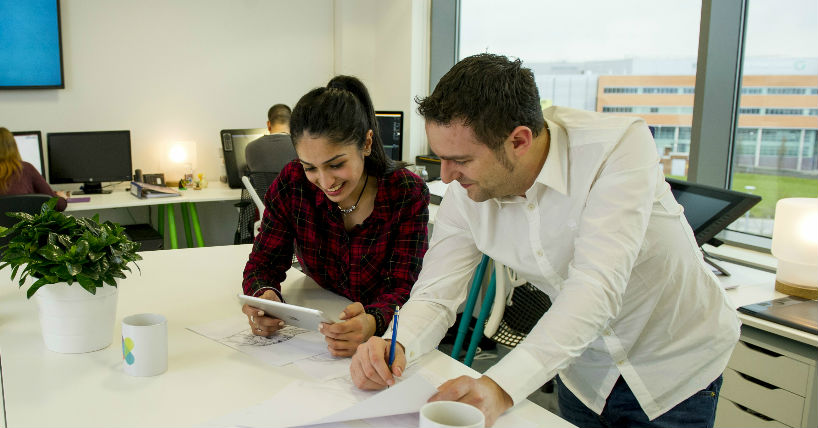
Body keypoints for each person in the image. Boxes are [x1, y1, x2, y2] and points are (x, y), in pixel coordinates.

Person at [350, 54, 739, 428]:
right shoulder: (465, 195)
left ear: (518, 141)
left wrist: (501, 387)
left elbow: (595, 288)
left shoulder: (616, 149)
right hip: (581, 369)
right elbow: (436, 293)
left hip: (673, 367)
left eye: (461, 160)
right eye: (441, 159)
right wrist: (400, 345)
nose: (447, 177)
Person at [241, 76, 430, 357]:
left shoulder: (406, 192)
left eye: (336, 164)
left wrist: (374, 321)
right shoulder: (293, 182)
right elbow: (263, 263)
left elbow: (405, 286)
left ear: (366, 143)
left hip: (387, 339)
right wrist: (264, 297)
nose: (325, 181)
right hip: (321, 315)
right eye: (310, 167)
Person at [0, 127, 68, 211]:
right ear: (13, 146)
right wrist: (62, 197)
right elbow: (57, 205)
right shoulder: (25, 169)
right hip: (24, 224)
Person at [244, 103, 298, 174]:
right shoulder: (299, 145)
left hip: (265, 185)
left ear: (269, 124)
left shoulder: (250, 147)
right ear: (291, 123)